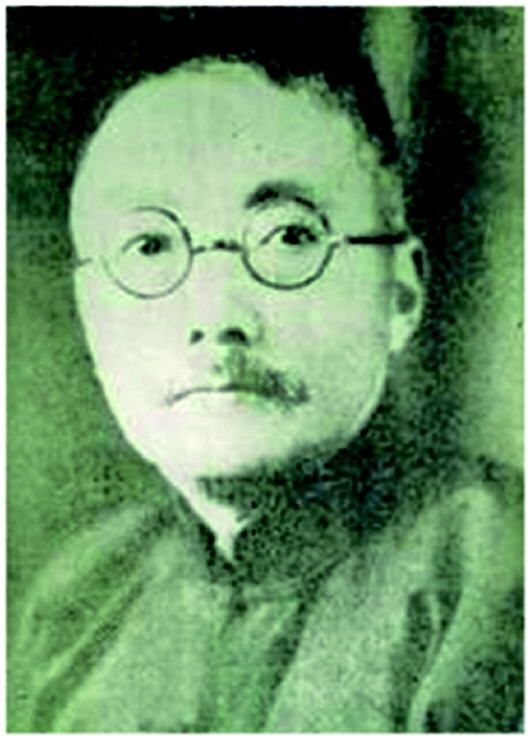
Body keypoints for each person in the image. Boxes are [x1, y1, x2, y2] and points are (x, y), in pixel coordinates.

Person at [8, 52, 522, 733]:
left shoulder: (495, 571)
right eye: (149, 247)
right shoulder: (77, 602)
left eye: (288, 236)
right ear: (88, 308)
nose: (217, 315)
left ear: (401, 291)